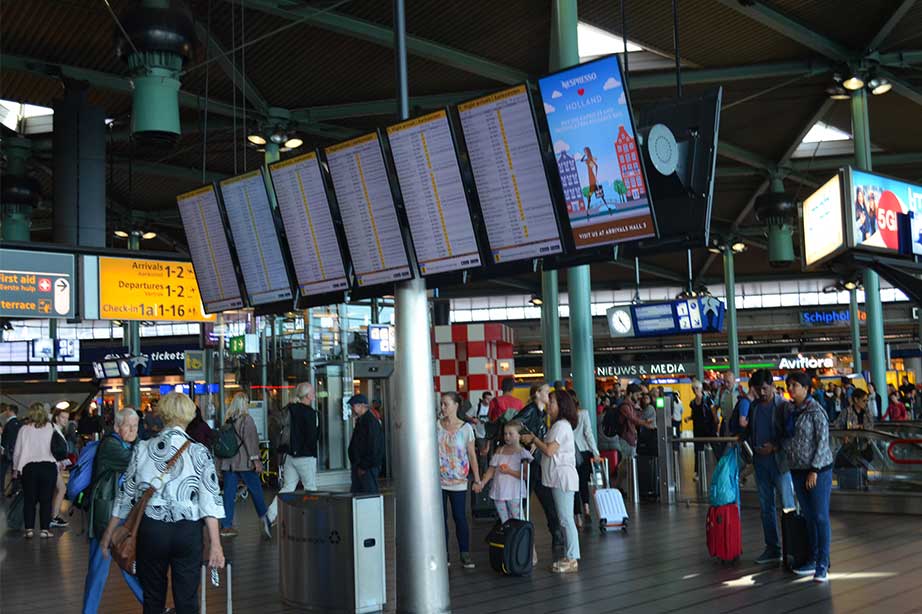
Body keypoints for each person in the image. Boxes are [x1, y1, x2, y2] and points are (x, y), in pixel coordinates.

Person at [101, 392, 225, 614]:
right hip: (187, 532)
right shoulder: (199, 452)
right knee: (187, 599)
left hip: (152, 530)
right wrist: (216, 545)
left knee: (153, 597)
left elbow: (126, 496)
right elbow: (210, 502)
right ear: (189, 416)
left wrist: (109, 533)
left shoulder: (143, 448)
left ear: (162, 415)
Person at [83, 407, 143, 614]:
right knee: (100, 566)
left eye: (136, 426)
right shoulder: (111, 445)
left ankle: (153, 605)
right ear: (117, 427)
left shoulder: (126, 444)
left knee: (127, 560)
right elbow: (135, 463)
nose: (133, 430)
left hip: (119, 515)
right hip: (105, 515)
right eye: (128, 425)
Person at [781, 371, 834, 583]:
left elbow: (823, 442)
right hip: (797, 469)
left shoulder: (816, 412)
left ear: (806, 388)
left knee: (820, 516)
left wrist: (814, 469)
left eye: (795, 385)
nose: (791, 389)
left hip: (817, 471)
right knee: (809, 515)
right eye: (789, 385)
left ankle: (822, 562)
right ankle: (812, 558)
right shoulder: (791, 411)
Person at [522, 390, 580, 574]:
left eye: (552, 402)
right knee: (564, 518)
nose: (549, 405)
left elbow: (549, 450)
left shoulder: (561, 426)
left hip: (562, 478)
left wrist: (533, 439)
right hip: (558, 477)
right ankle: (569, 555)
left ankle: (572, 557)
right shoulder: (558, 425)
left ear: (561, 405)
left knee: (565, 519)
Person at [747, 369, 796, 565]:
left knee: (787, 505)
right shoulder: (754, 407)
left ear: (773, 386)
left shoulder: (783, 407)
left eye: (765, 389)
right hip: (760, 462)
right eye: (758, 389)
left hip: (779, 462)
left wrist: (774, 446)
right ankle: (773, 547)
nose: (761, 393)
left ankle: (792, 547)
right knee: (765, 507)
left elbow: (790, 435)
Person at [217, 392, 270, 539]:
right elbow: (251, 442)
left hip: (229, 464)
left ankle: (226, 526)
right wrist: (256, 461)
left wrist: (219, 465)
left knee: (228, 495)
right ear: (244, 403)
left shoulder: (227, 420)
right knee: (256, 491)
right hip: (245, 464)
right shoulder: (247, 420)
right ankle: (265, 519)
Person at [267, 382, 321, 525]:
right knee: (310, 488)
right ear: (308, 395)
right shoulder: (311, 413)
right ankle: (312, 519)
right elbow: (313, 437)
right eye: (313, 392)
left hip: (290, 455)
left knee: (288, 487)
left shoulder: (288, 409)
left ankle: (270, 515)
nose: (314, 394)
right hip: (305, 456)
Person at [437, 392, 481, 569]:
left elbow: (471, 454)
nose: (443, 408)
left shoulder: (466, 429)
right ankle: (444, 554)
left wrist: (477, 479)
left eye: (446, 404)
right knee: (441, 519)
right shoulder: (436, 426)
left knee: (460, 517)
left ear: (456, 405)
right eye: (441, 404)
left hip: (459, 481)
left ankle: (464, 553)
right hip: (438, 480)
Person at [514, 382, 561, 547]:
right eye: (547, 391)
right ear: (537, 393)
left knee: (541, 499)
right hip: (531, 463)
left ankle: (555, 534)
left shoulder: (540, 413)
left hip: (537, 464)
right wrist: (529, 441)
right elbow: (514, 425)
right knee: (531, 498)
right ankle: (519, 534)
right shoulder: (531, 410)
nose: (549, 395)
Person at [12, 403, 59, 538]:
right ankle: (44, 529)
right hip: (48, 467)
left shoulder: (24, 429)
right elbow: (59, 446)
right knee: (46, 499)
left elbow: (17, 451)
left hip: (29, 468)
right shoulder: (51, 427)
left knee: (29, 499)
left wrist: (16, 468)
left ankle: (29, 529)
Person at [348, 394, 384, 494]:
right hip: (361, 465)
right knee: (359, 495)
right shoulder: (362, 421)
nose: (352, 408)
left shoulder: (369, 422)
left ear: (362, 406)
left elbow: (373, 447)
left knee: (369, 495)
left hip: (367, 467)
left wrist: (364, 466)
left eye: (354, 405)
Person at [572, 401, 600, 529]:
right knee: (583, 483)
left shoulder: (564, 416)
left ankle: (577, 516)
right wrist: (595, 452)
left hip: (571, 453)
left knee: (574, 486)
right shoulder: (583, 414)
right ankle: (587, 509)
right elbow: (588, 434)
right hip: (584, 452)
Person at [686, 381, 717, 479]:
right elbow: (694, 415)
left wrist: (716, 419)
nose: (695, 390)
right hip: (698, 429)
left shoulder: (707, 399)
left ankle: (722, 467)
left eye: (697, 388)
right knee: (697, 450)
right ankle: (697, 472)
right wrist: (689, 418)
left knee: (716, 448)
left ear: (701, 389)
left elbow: (713, 410)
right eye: (693, 388)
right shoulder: (693, 403)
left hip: (709, 427)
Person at [50, 407, 72, 528]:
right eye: (63, 417)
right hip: (54, 464)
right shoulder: (54, 430)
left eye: (67, 418)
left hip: (55, 463)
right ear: (56, 417)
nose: (65, 420)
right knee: (61, 489)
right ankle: (54, 516)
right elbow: (53, 448)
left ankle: (53, 515)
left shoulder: (57, 430)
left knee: (58, 490)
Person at [1, 404, 22, 494]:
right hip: (16, 451)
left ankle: (1, 490)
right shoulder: (19, 423)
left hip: (8, 451)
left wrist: (3, 448)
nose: (6, 412)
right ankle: (14, 491)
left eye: (7, 410)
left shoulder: (9, 424)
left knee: (2, 471)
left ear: (10, 411)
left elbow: (7, 439)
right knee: (15, 472)